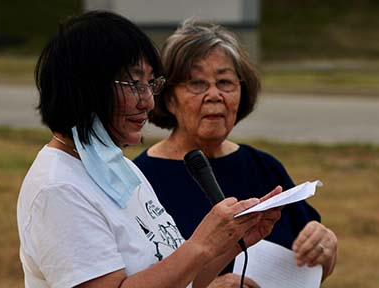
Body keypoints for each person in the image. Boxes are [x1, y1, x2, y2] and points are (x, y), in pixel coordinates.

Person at [16, 11, 283, 288]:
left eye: (150, 84)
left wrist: (231, 242)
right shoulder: (57, 189)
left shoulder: (121, 168)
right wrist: (201, 243)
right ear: (85, 87)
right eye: (133, 84)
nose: (148, 102)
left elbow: (180, 280)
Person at [133, 18, 338, 284]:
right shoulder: (140, 180)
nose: (214, 95)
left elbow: (311, 265)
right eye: (197, 83)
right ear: (169, 98)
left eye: (225, 82)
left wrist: (326, 246)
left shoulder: (264, 167)